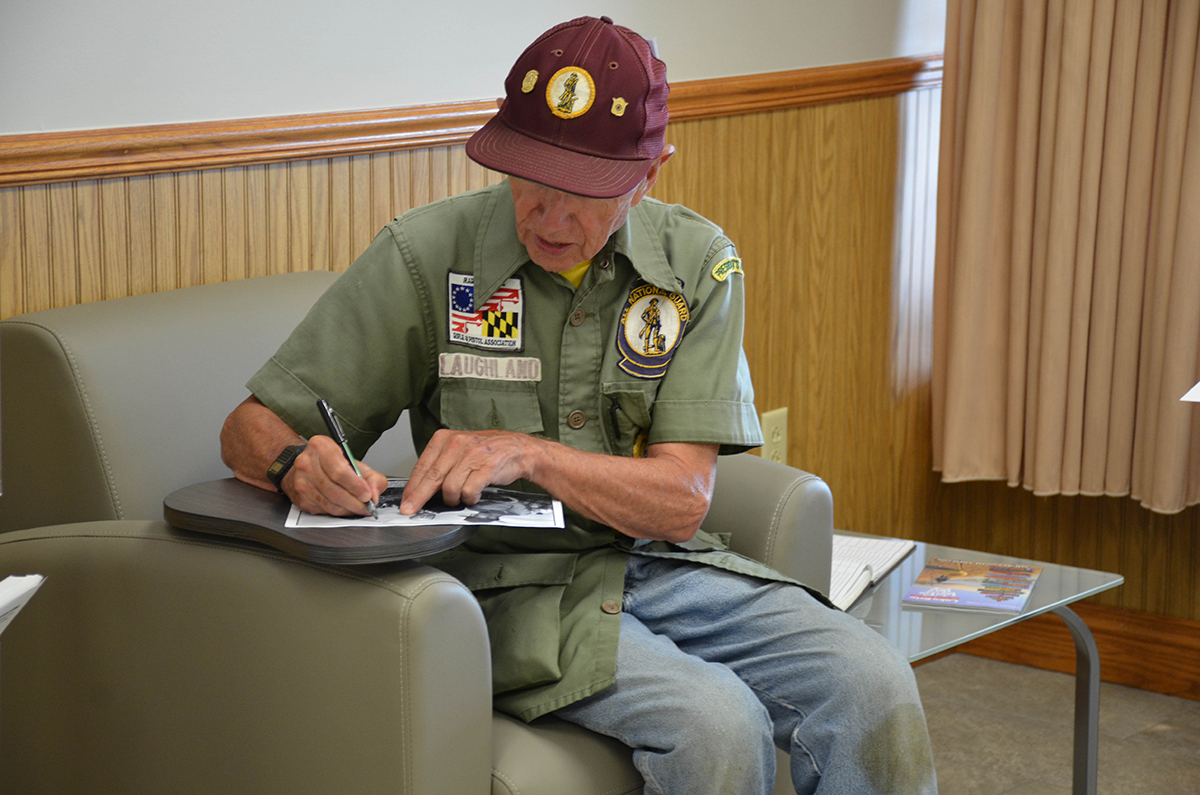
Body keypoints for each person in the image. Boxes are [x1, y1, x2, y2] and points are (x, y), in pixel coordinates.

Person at [220, 15, 937, 794]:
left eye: (583, 194)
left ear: (651, 173)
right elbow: (249, 427)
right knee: (716, 723)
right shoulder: (426, 255)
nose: (548, 219)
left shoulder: (697, 265)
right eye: (528, 181)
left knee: (875, 681)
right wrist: (297, 463)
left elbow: (679, 505)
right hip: (500, 588)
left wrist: (527, 453)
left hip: (655, 563)